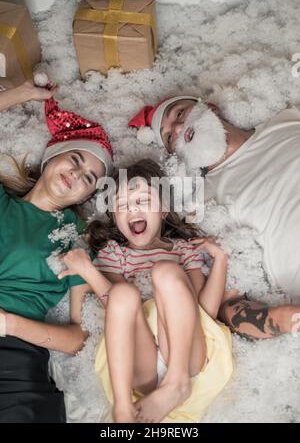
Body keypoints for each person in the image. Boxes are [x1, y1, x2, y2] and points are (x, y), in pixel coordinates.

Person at [59, 158, 235, 423]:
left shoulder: (183, 250)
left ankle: (176, 383)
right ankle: (122, 407)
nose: (133, 210)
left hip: (185, 357)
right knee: (122, 294)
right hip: (140, 365)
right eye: (122, 205)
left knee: (165, 271)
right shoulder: (114, 253)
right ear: (115, 217)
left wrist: (220, 260)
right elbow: (117, 310)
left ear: (163, 209)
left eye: (143, 200)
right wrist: (89, 272)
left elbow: (204, 313)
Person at [128, 96, 300, 337]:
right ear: (176, 155)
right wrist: (279, 319)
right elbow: (229, 303)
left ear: (209, 107)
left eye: (179, 113)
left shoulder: (286, 119)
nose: (178, 128)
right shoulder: (202, 204)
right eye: (169, 137)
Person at [0, 88, 113, 423]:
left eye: (89, 178)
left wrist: (7, 323)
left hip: (13, 361)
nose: (77, 174)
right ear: (52, 156)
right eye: (75, 160)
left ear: (89, 193)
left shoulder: (74, 237)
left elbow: (77, 338)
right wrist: (24, 93)